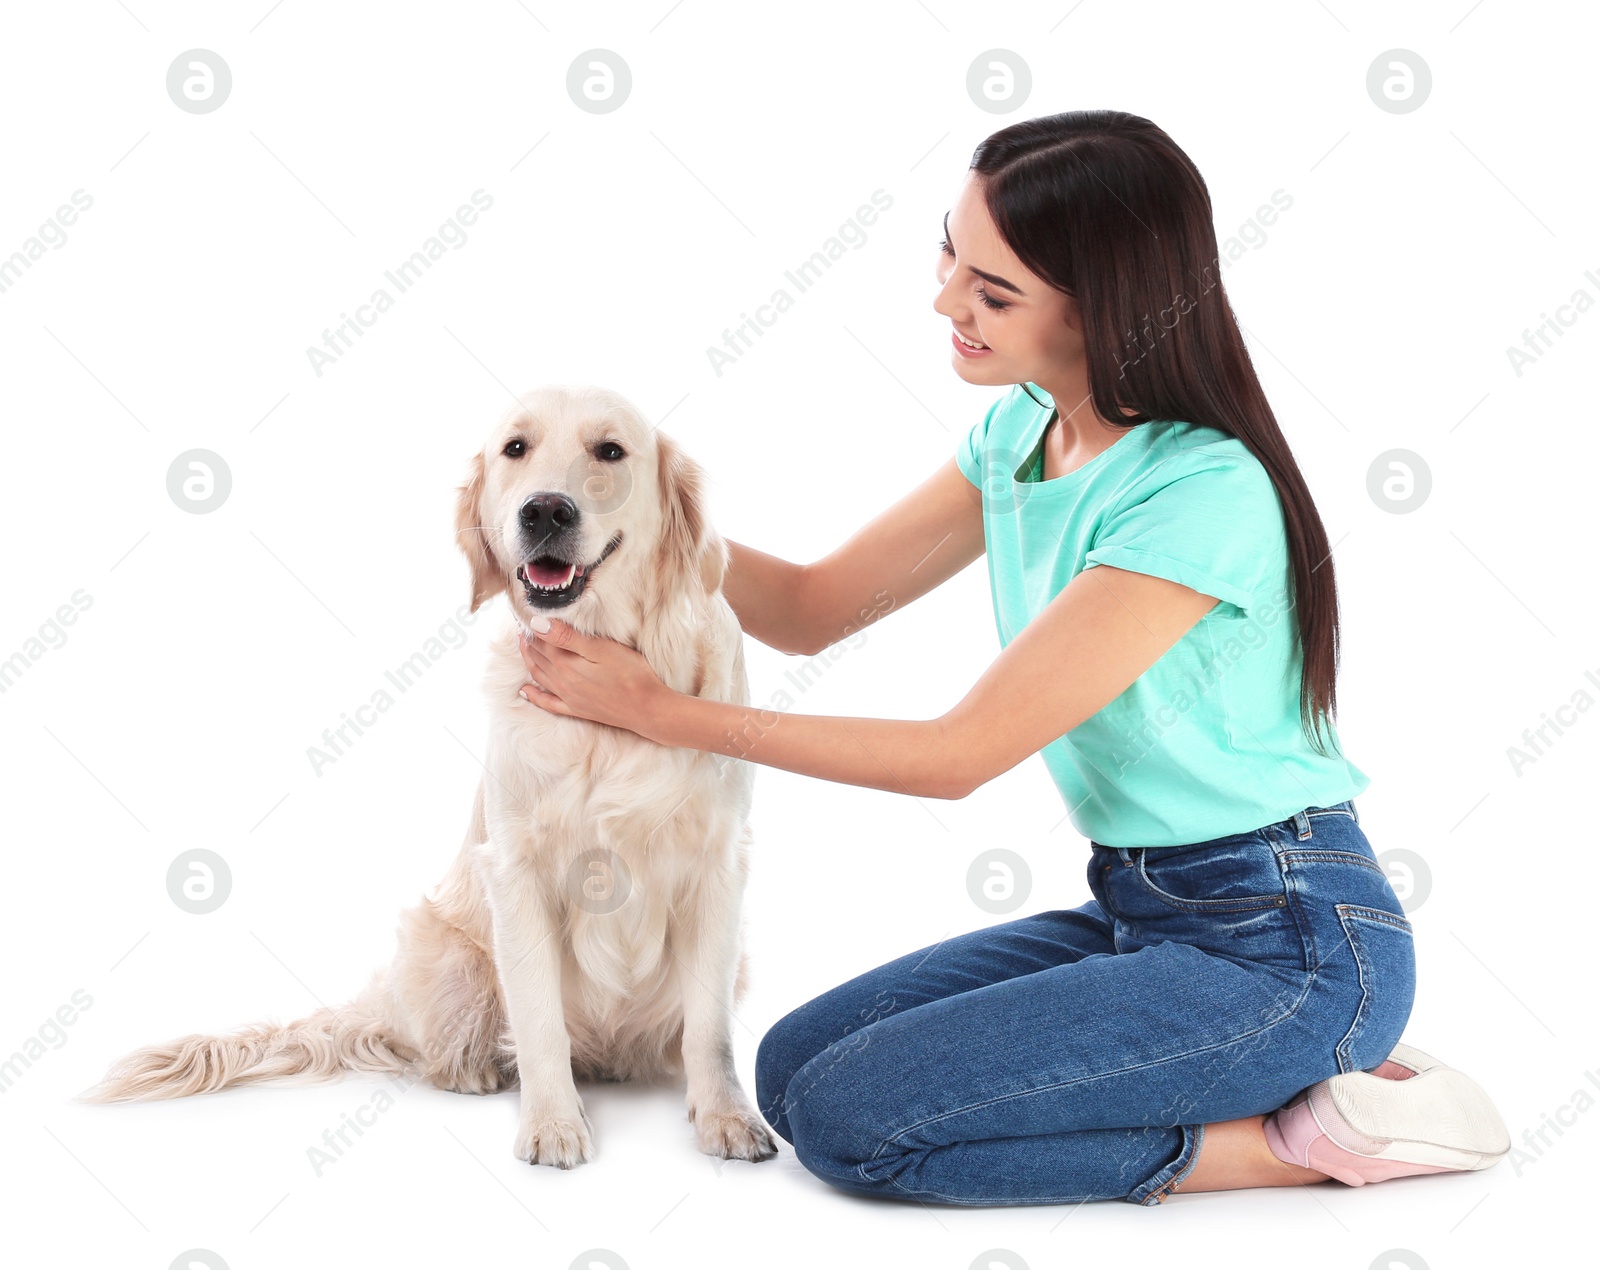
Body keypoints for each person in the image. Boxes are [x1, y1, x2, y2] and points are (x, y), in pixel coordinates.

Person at [513, 110, 1511, 1206]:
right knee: (794, 1068)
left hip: (1286, 938)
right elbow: (807, 607)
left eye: (994, 292)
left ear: (1103, 309)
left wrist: (663, 712)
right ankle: (1273, 1079)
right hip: (1141, 908)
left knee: (855, 1125)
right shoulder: (1018, 433)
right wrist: (633, 507)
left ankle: (1313, 1134)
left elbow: (958, 753)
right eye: (950, 249)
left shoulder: (1199, 493)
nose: (947, 300)